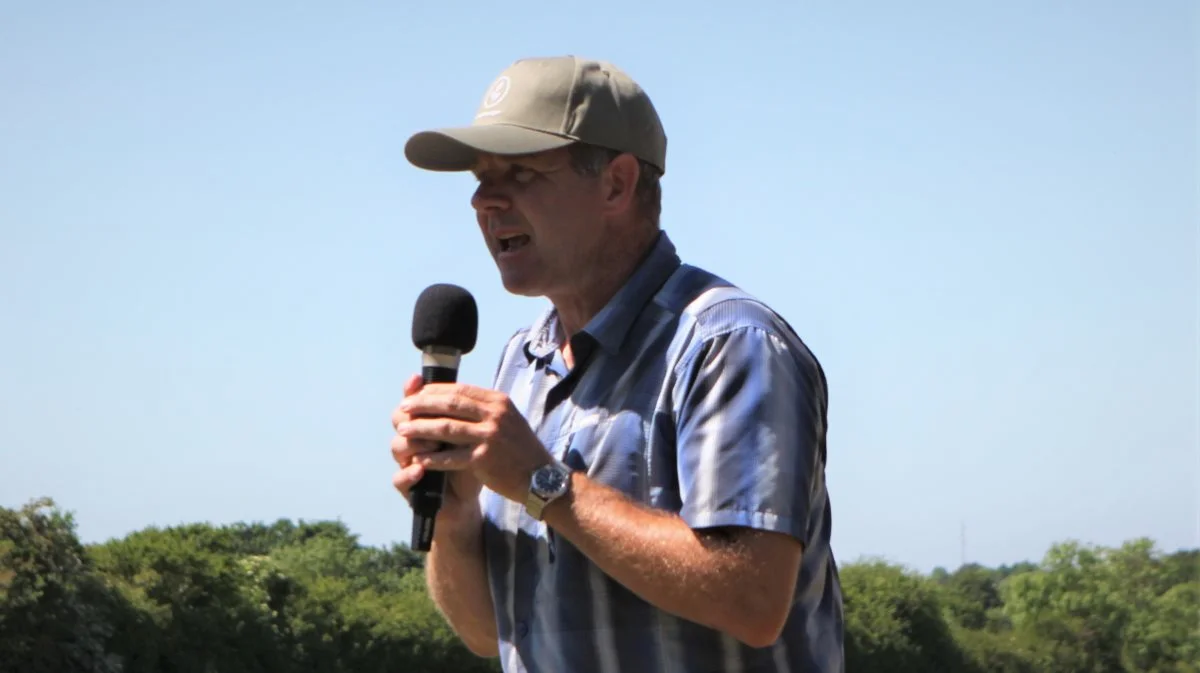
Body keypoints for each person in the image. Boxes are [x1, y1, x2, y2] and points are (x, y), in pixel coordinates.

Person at [389, 55, 844, 673]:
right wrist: (454, 512)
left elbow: (752, 599)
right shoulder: (519, 365)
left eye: (519, 173)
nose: (484, 200)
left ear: (616, 184)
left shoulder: (727, 342)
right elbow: (486, 632)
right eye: (479, 176)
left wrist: (541, 483)